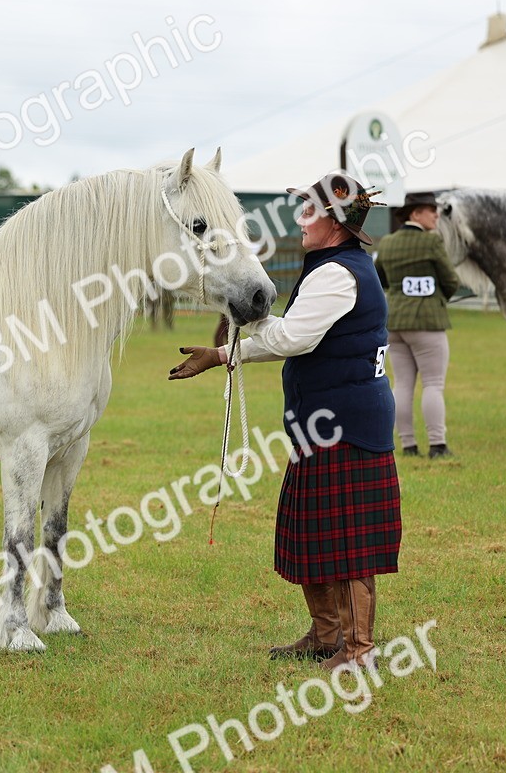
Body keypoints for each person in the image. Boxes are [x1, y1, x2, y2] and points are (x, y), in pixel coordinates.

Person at [169, 173, 400, 673]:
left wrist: (244, 316)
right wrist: (222, 353)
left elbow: (294, 338)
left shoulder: (338, 274)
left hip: (346, 427)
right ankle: (326, 635)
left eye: (311, 211)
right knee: (313, 534)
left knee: (349, 544)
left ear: (335, 223)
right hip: (323, 425)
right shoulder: (332, 267)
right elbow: (294, 336)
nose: (302, 219)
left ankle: (359, 651)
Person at [374, 192, 460, 459]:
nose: (436, 215)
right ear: (415, 214)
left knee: (402, 384)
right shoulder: (431, 242)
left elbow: (379, 279)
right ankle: (437, 444)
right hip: (427, 322)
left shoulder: (387, 243)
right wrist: (438, 297)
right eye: (431, 210)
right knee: (433, 383)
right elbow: (451, 280)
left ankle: (408, 444)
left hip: (395, 322)